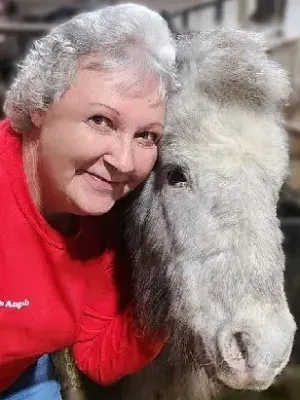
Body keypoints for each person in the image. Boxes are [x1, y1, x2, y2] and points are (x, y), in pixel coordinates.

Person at [0, 3, 176, 399]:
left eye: (147, 135)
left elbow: (97, 355)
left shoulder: (105, 226)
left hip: (18, 372)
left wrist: (170, 292)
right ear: (38, 107)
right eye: (101, 121)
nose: (125, 162)